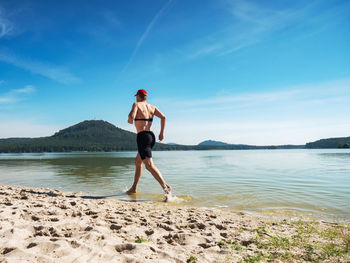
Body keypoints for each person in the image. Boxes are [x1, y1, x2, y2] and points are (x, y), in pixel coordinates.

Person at [126, 89, 172, 195]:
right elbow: (163, 117)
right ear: (145, 96)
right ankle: (133, 188)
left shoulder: (136, 104)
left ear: (138, 96)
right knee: (138, 162)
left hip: (142, 137)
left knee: (149, 165)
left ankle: (166, 188)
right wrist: (161, 133)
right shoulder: (152, 107)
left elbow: (131, 118)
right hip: (151, 136)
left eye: (136, 96)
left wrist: (130, 118)